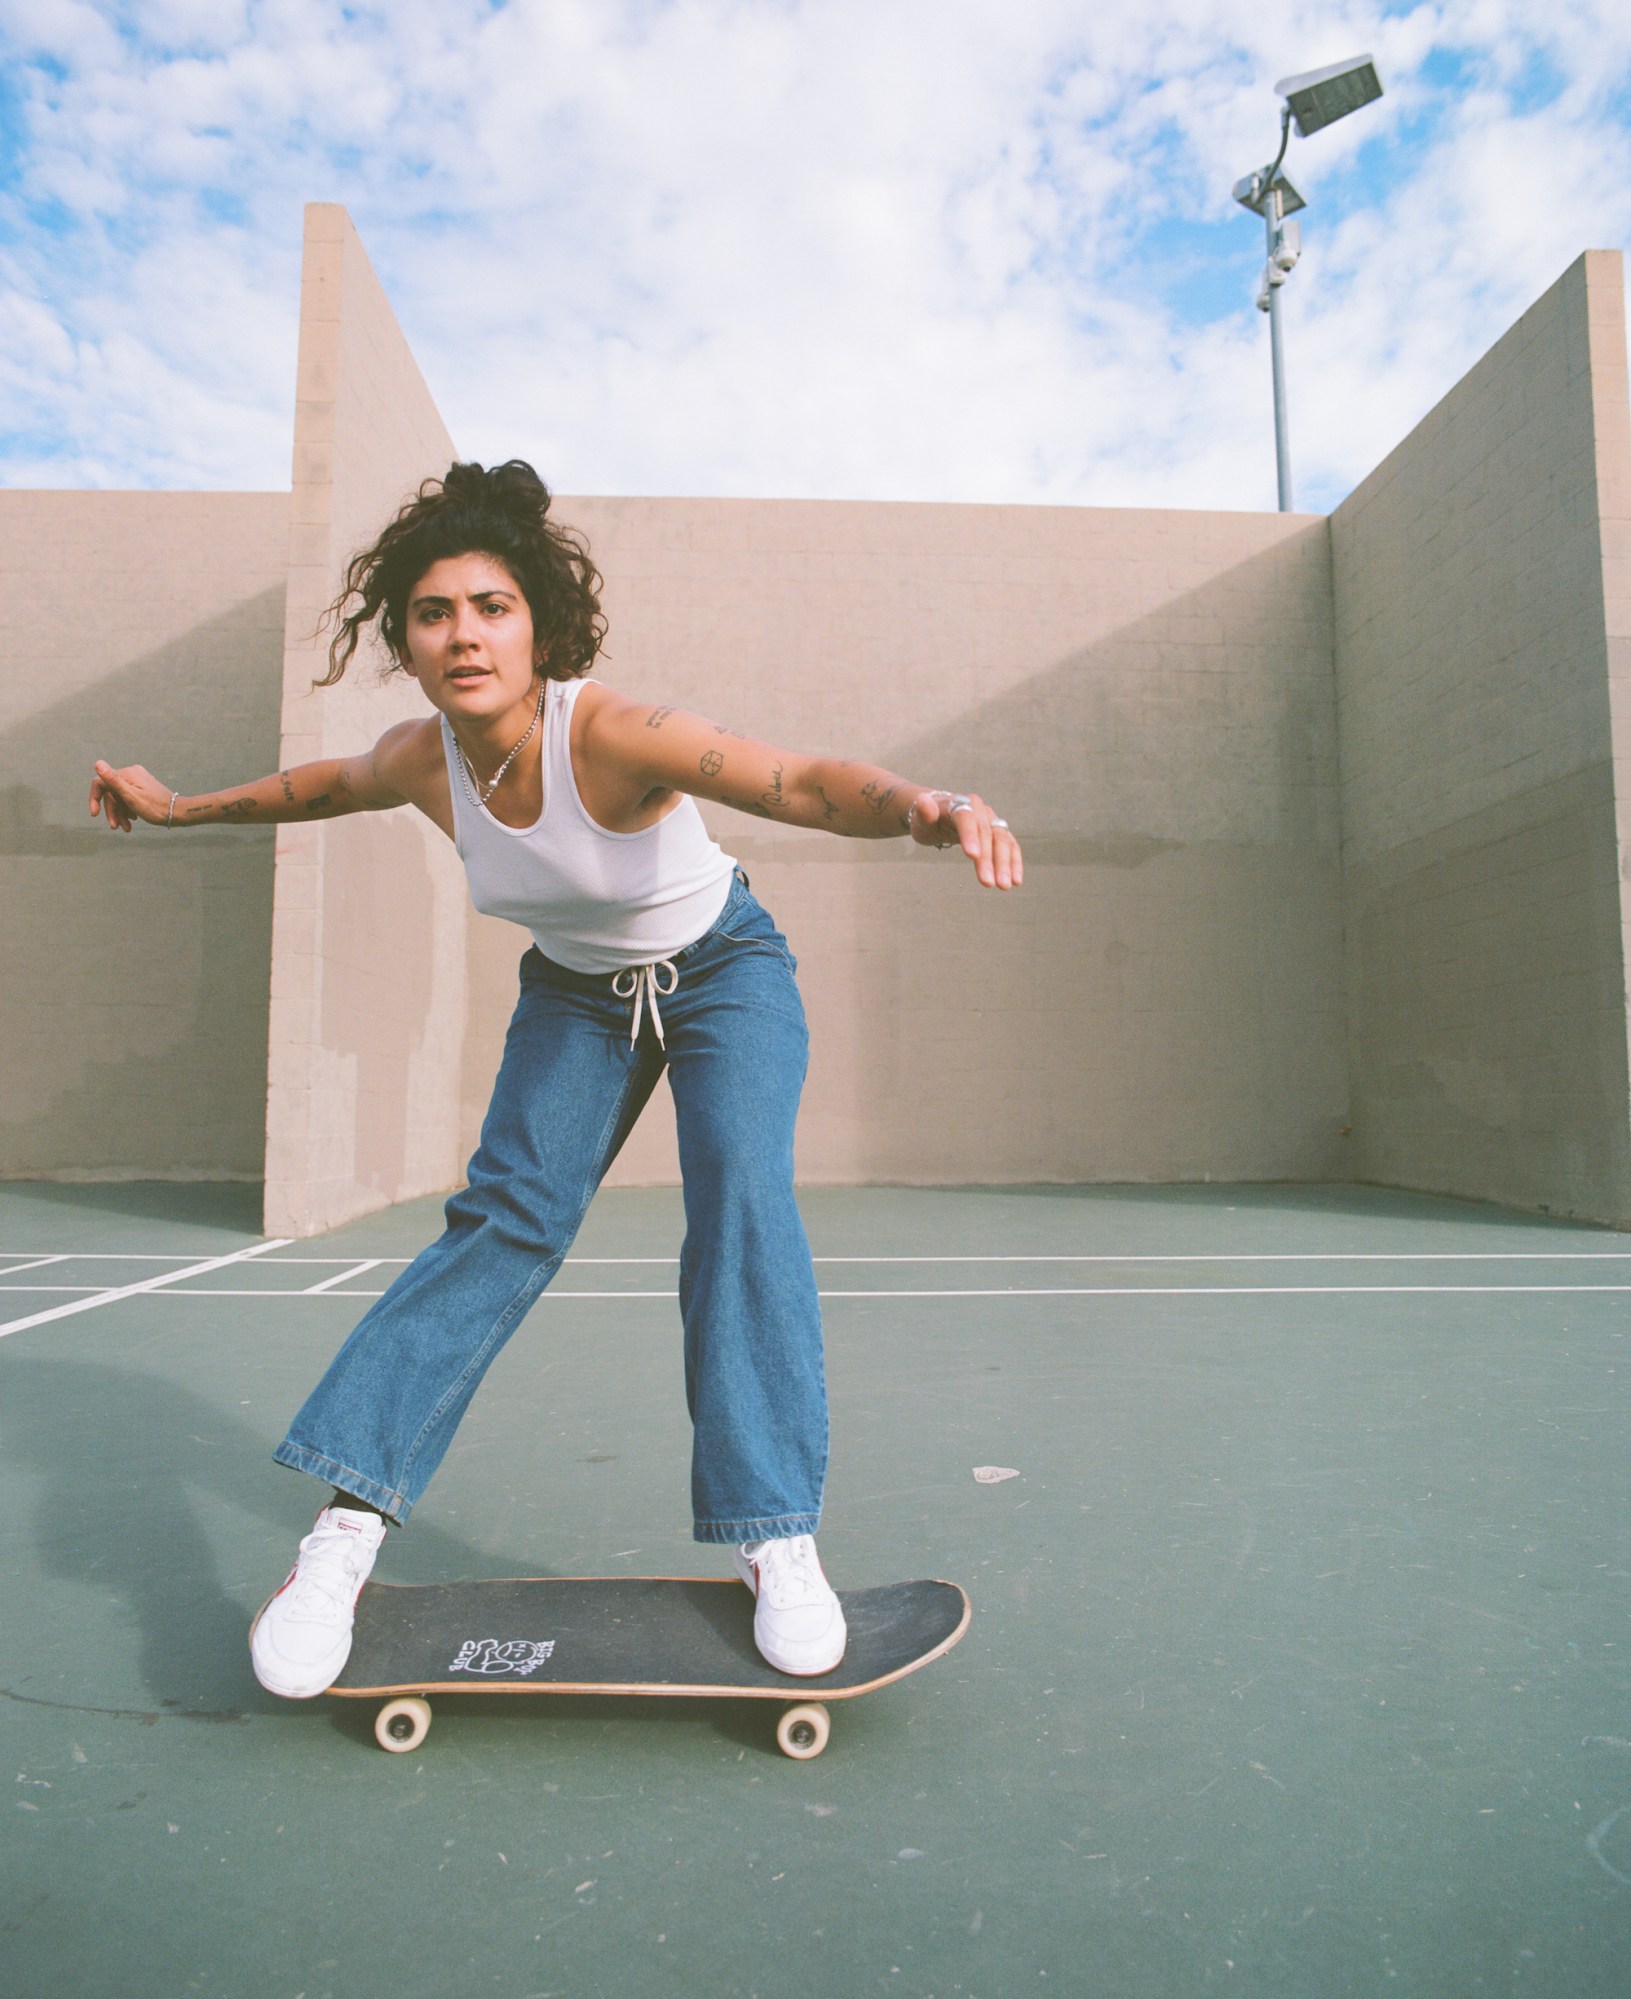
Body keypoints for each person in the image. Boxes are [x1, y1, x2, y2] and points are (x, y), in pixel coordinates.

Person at [89, 459, 1023, 1698]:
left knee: (740, 1195)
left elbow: (793, 780)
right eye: (434, 613)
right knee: (503, 1223)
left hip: (722, 967)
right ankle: (343, 1535)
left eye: (490, 606)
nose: (463, 633)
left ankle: (773, 1532)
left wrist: (925, 803)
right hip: (579, 995)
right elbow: (317, 788)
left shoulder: (611, 731)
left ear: (537, 626)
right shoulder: (423, 759)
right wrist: (178, 808)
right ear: (407, 642)